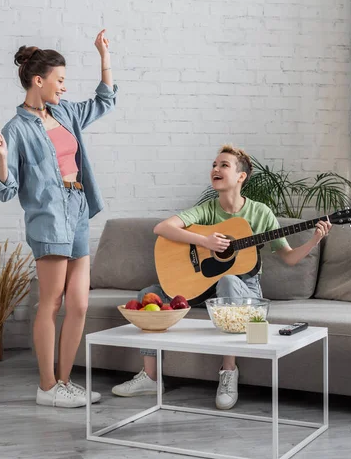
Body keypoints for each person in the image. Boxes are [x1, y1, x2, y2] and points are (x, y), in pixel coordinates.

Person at [112, 144, 332, 409]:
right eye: (214, 165)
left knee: (226, 280)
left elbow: (288, 257)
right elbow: (163, 228)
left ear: (241, 176)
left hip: (244, 289)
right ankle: (150, 377)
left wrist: (315, 239)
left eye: (223, 165)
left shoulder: (260, 213)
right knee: (148, 296)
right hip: (203, 287)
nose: (215, 169)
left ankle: (228, 372)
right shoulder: (206, 210)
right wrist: (204, 240)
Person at [0, 29, 118, 408]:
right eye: (59, 81)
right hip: (48, 219)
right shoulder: (15, 130)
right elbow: (7, 189)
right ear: (38, 80)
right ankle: (47, 387)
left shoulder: (64, 112)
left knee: (78, 304)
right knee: (52, 303)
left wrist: (104, 58)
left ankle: (64, 381)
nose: (63, 87)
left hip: (77, 209)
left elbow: (104, 102)